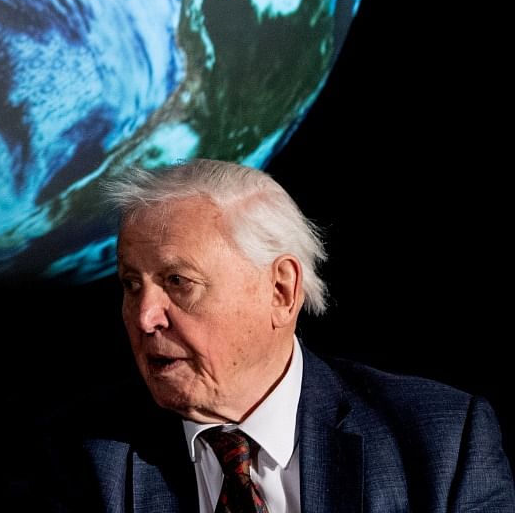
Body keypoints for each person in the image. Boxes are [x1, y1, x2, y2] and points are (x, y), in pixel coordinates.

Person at [47, 158, 514, 512]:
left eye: (177, 283)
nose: (145, 316)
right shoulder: (75, 461)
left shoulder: (442, 444)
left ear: (280, 290)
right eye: (132, 285)